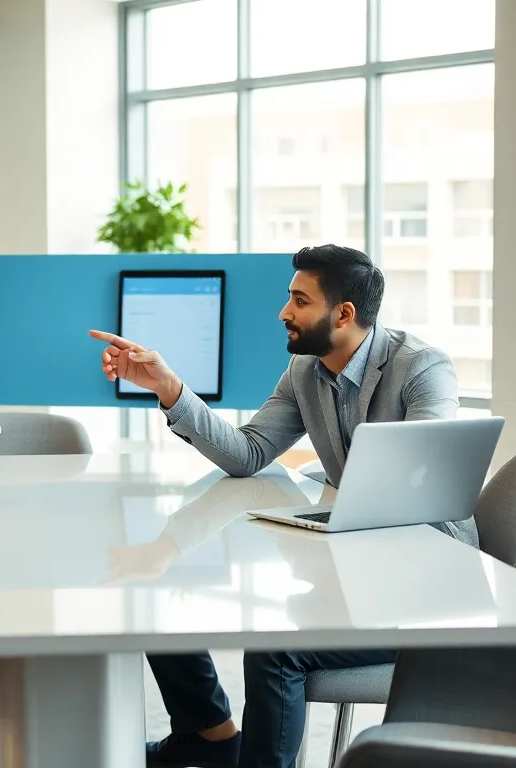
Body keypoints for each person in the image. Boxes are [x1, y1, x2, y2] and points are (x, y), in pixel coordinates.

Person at [90, 244, 473, 768]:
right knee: (162, 586)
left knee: (277, 647)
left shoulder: (422, 369)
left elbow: (423, 484)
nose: (284, 312)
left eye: (299, 300)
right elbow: (247, 453)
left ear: (343, 313)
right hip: (356, 567)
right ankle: (210, 737)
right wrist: (170, 389)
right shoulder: (304, 371)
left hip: (425, 582)